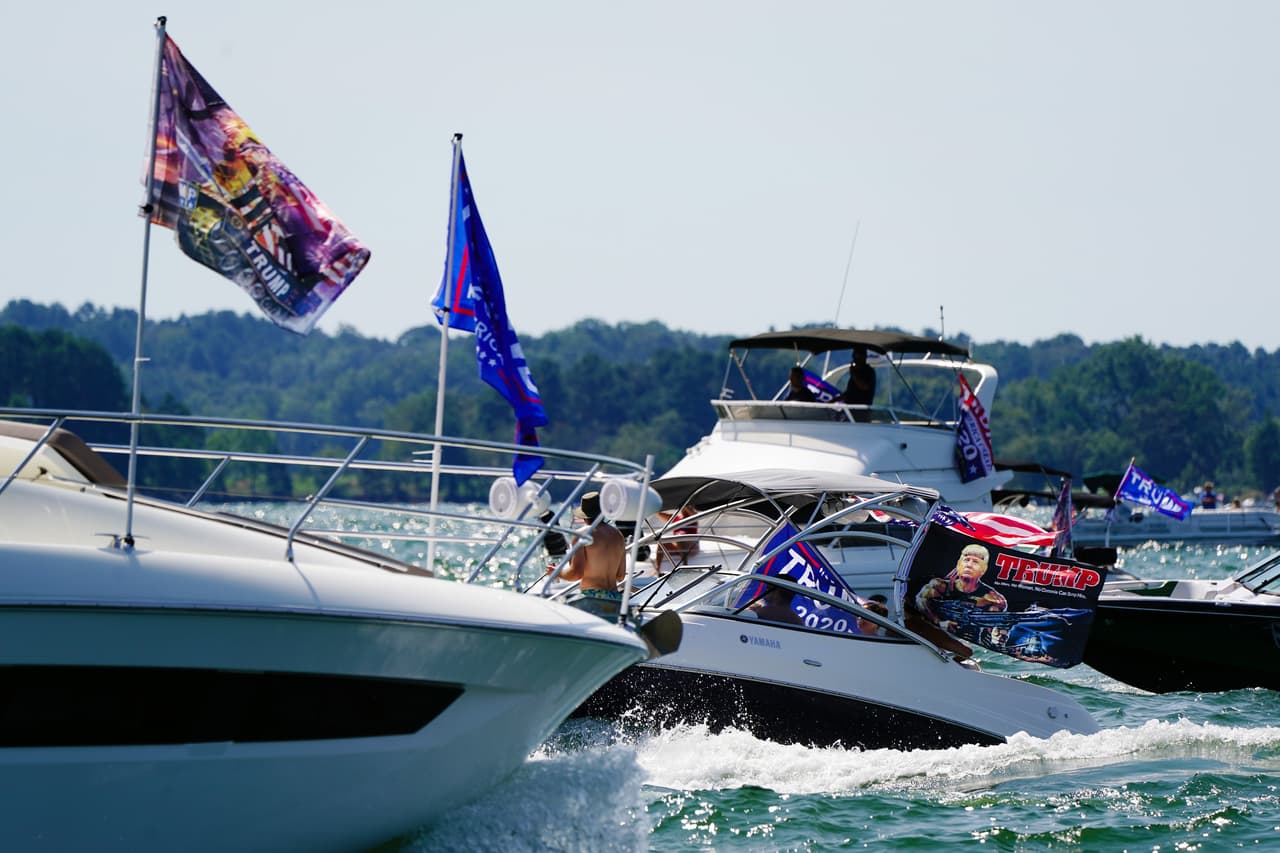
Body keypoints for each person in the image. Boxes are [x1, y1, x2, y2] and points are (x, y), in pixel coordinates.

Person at [914, 543, 1008, 643]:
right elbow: (920, 601)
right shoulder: (938, 586)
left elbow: (997, 626)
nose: (969, 565)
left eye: (975, 562)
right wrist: (939, 622)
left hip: (965, 641)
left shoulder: (992, 599)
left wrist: (996, 636)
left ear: (983, 570)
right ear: (959, 565)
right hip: (927, 632)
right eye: (966, 560)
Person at [552, 492, 627, 600]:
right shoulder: (618, 535)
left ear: (584, 516)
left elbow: (576, 574)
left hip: (593, 597)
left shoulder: (582, 535)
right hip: (615, 597)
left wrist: (557, 572)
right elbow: (620, 576)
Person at [840, 347, 876, 420]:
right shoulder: (856, 371)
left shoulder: (868, 372)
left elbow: (864, 386)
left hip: (860, 413)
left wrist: (853, 374)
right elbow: (850, 392)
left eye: (857, 357)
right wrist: (832, 401)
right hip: (849, 410)